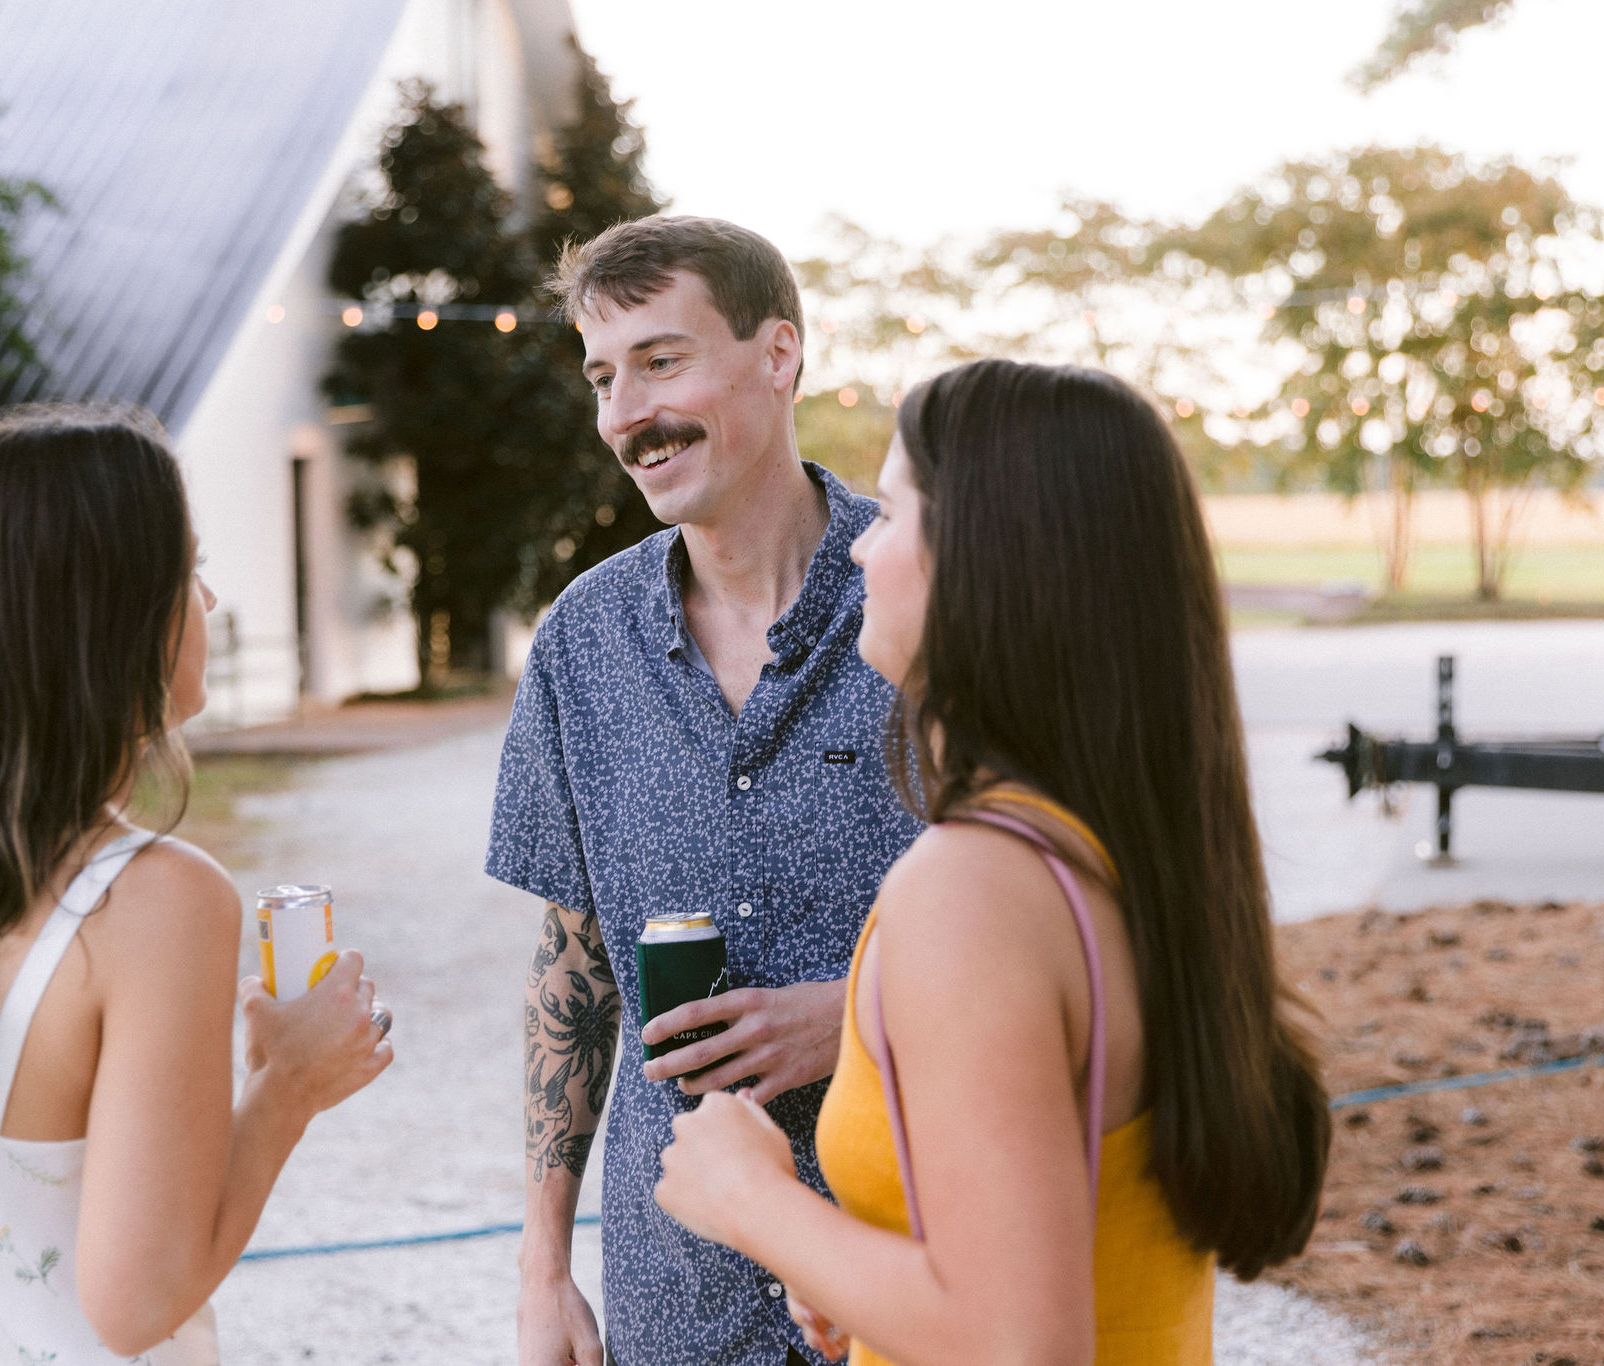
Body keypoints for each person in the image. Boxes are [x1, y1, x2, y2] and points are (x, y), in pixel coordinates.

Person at [653, 360, 1332, 1364]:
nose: (860, 548)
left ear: (989, 560)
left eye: (890, 512)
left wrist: (750, 1201)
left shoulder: (971, 890)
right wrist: (846, 1268)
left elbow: (1015, 1345)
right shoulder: (1111, 850)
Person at [0, 406, 393, 1365]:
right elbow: (135, 1304)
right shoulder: (158, 900)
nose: (208, 599)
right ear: (103, 618)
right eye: (186, 568)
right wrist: (287, 1087)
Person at [487, 215, 923, 1366]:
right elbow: (573, 959)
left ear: (777, 354)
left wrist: (855, 1015)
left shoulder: (927, 598)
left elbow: (1053, 912)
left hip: (910, 1275)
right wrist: (542, 1270)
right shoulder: (580, 640)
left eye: (660, 360)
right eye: (602, 376)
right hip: (673, 1303)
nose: (624, 413)